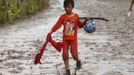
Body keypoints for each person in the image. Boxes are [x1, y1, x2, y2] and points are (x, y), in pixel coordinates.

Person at [48, 0, 87, 75]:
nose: (67, 8)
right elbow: (57, 25)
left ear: (72, 7)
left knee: (74, 53)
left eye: (68, 7)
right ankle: (67, 70)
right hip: (65, 39)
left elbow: (80, 25)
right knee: (65, 54)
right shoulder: (63, 17)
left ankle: (78, 60)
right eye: (65, 7)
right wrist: (51, 31)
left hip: (73, 39)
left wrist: (85, 22)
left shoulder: (76, 16)